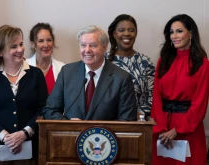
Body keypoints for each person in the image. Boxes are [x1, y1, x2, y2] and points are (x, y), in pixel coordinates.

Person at [43, 25, 137, 121]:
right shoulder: (66, 73)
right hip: (71, 135)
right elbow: (50, 110)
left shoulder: (122, 78)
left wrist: (97, 131)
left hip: (105, 135)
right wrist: (68, 125)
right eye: (83, 45)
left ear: (104, 47)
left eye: (93, 45)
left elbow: (127, 120)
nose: (87, 50)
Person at [151, 14, 209, 165]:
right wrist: (162, 128)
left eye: (179, 31)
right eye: (171, 32)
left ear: (191, 33)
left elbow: (200, 103)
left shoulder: (203, 64)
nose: (174, 36)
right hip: (162, 129)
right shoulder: (163, 61)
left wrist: (177, 130)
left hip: (189, 128)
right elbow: (156, 97)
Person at [0, 25, 48, 163]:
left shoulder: (36, 74)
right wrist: (5, 137)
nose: (20, 49)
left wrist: (25, 133)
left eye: (21, 44)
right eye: (13, 46)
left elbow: (44, 109)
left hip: (32, 151)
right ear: (0, 52)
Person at [106, 14, 155, 119]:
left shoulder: (145, 62)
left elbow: (152, 95)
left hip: (137, 123)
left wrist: (140, 114)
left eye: (131, 30)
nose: (127, 34)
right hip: (106, 122)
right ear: (114, 33)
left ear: (136, 33)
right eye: (122, 30)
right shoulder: (102, 61)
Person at [26, 23, 65, 94]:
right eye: (41, 41)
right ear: (33, 44)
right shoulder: (23, 67)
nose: (46, 45)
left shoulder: (63, 68)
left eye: (49, 40)